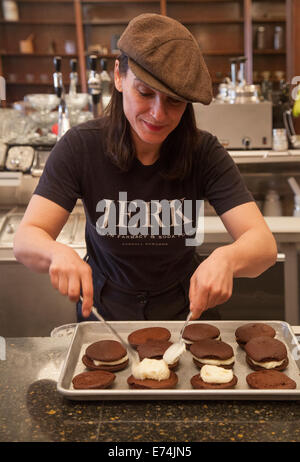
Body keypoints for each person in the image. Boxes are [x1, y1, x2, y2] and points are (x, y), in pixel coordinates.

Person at [13, 13, 277, 322]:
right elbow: (27, 237)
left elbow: (264, 245)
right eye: (145, 93)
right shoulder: (80, 147)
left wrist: (228, 258)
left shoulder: (203, 152)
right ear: (119, 76)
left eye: (174, 102)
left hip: (186, 315)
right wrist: (56, 252)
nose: (157, 114)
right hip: (106, 317)